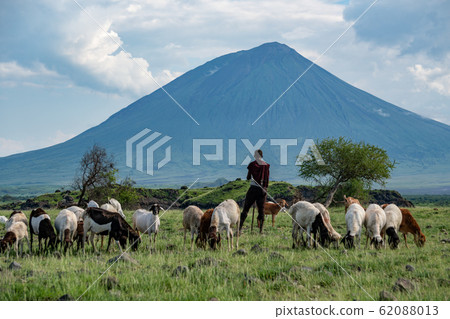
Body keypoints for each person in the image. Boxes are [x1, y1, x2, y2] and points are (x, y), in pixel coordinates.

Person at [239, 149, 270, 233]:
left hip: (253, 189)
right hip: (262, 190)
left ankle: (239, 229)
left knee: (246, 209)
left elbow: (248, 177)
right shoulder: (266, 165)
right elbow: (267, 179)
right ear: (262, 156)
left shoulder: (252, 165)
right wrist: (264, 188)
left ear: (255, 156)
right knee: (261, 209)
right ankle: (261, 231)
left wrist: (253, 176)